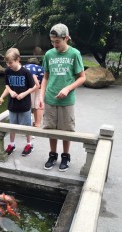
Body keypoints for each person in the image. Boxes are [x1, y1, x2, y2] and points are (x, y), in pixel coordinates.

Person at [39, 23, 86, 172]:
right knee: (51, 128)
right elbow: (45, 77)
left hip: (67, 101)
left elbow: (82, 77)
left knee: (66, 130)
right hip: (50, 98)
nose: (54, 44)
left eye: (57, 41)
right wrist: (41, 96)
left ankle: (65, 156)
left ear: (66, 38)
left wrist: (68, 88)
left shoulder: (74, 54)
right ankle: (52, 155)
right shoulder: (48, 54)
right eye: (52, 41)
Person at [0, 48, 37, 156]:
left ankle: (29, 144)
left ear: (18, 59)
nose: (8, 65)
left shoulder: (26, 72)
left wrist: (24, 93)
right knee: (12, 125)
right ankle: (12, 144)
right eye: (7, 63)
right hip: (12, 104)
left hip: (24, 105)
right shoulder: (7, 71)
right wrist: (10, 92)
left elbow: (34, 87)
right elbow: (7, 85)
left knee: (27, 126)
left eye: (10, 62)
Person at [23, 60, 44, 127]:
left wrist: (26, 92)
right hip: (38, 84)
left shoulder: (29, 69)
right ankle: (36, 122)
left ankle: (37, 124)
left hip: (40, 84)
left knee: (37, 104)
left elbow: (37, 85)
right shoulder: (37, 68)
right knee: (35, 105)